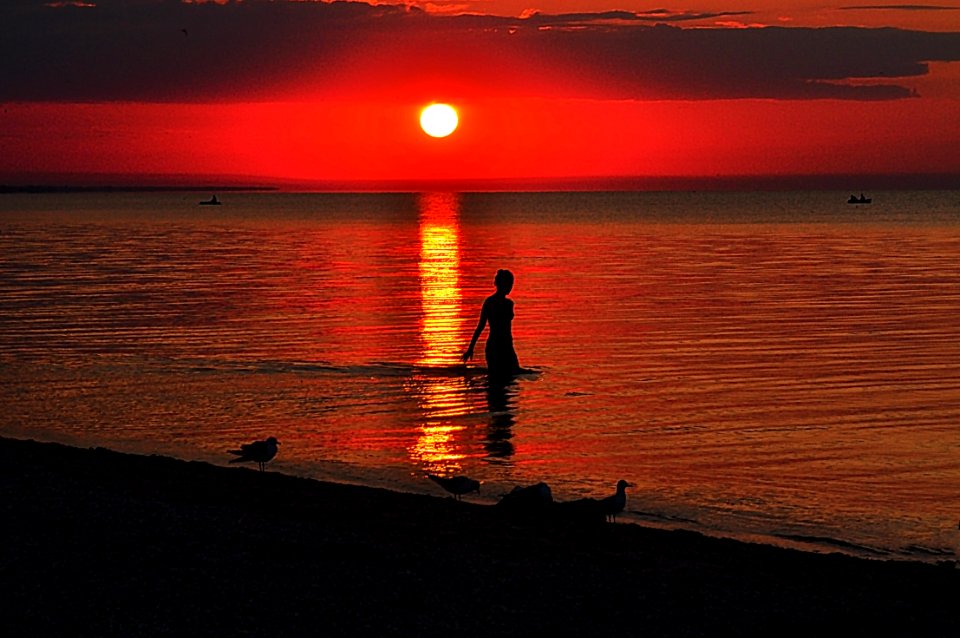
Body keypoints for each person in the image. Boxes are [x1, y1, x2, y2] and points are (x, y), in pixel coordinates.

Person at [462, 269, 521, 377]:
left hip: (507, 345)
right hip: (495, 346)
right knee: (499, 378)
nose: (510, 287)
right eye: (509, 284)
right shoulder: (491, 302)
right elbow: (481, 326)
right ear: (501, 284)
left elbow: (481, 326)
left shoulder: (508, 304)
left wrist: (471, 348)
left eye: (511, 284)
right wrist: (471, 348)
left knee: (512, 376)